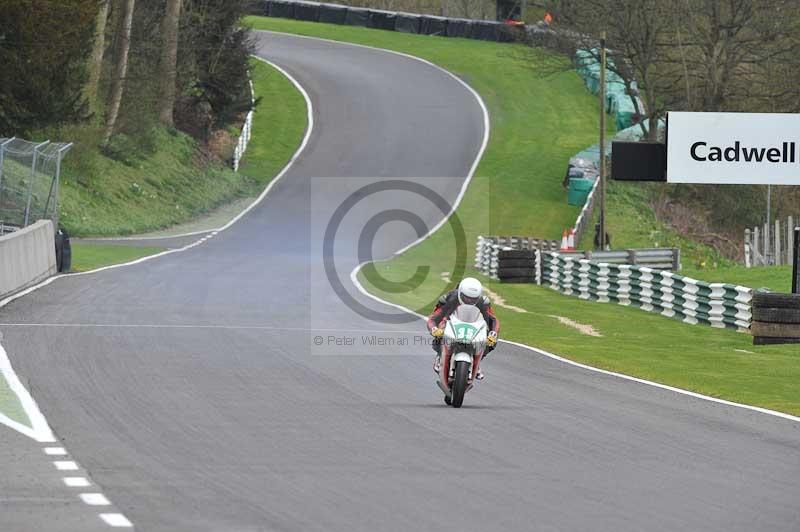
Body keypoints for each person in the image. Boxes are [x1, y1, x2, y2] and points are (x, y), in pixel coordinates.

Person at [427, 277, 499, 381]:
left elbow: (494, 320)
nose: (469, 300)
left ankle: (478, 361)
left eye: (473, 299)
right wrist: (434, 329)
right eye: (466, 297)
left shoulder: (483, 302)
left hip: (473, 323)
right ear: (460, 293)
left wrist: (493, 334)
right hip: (450, 320)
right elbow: (433, 318)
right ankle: (440, 355)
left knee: (491, 339)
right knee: (440, 328)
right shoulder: (449, 298)